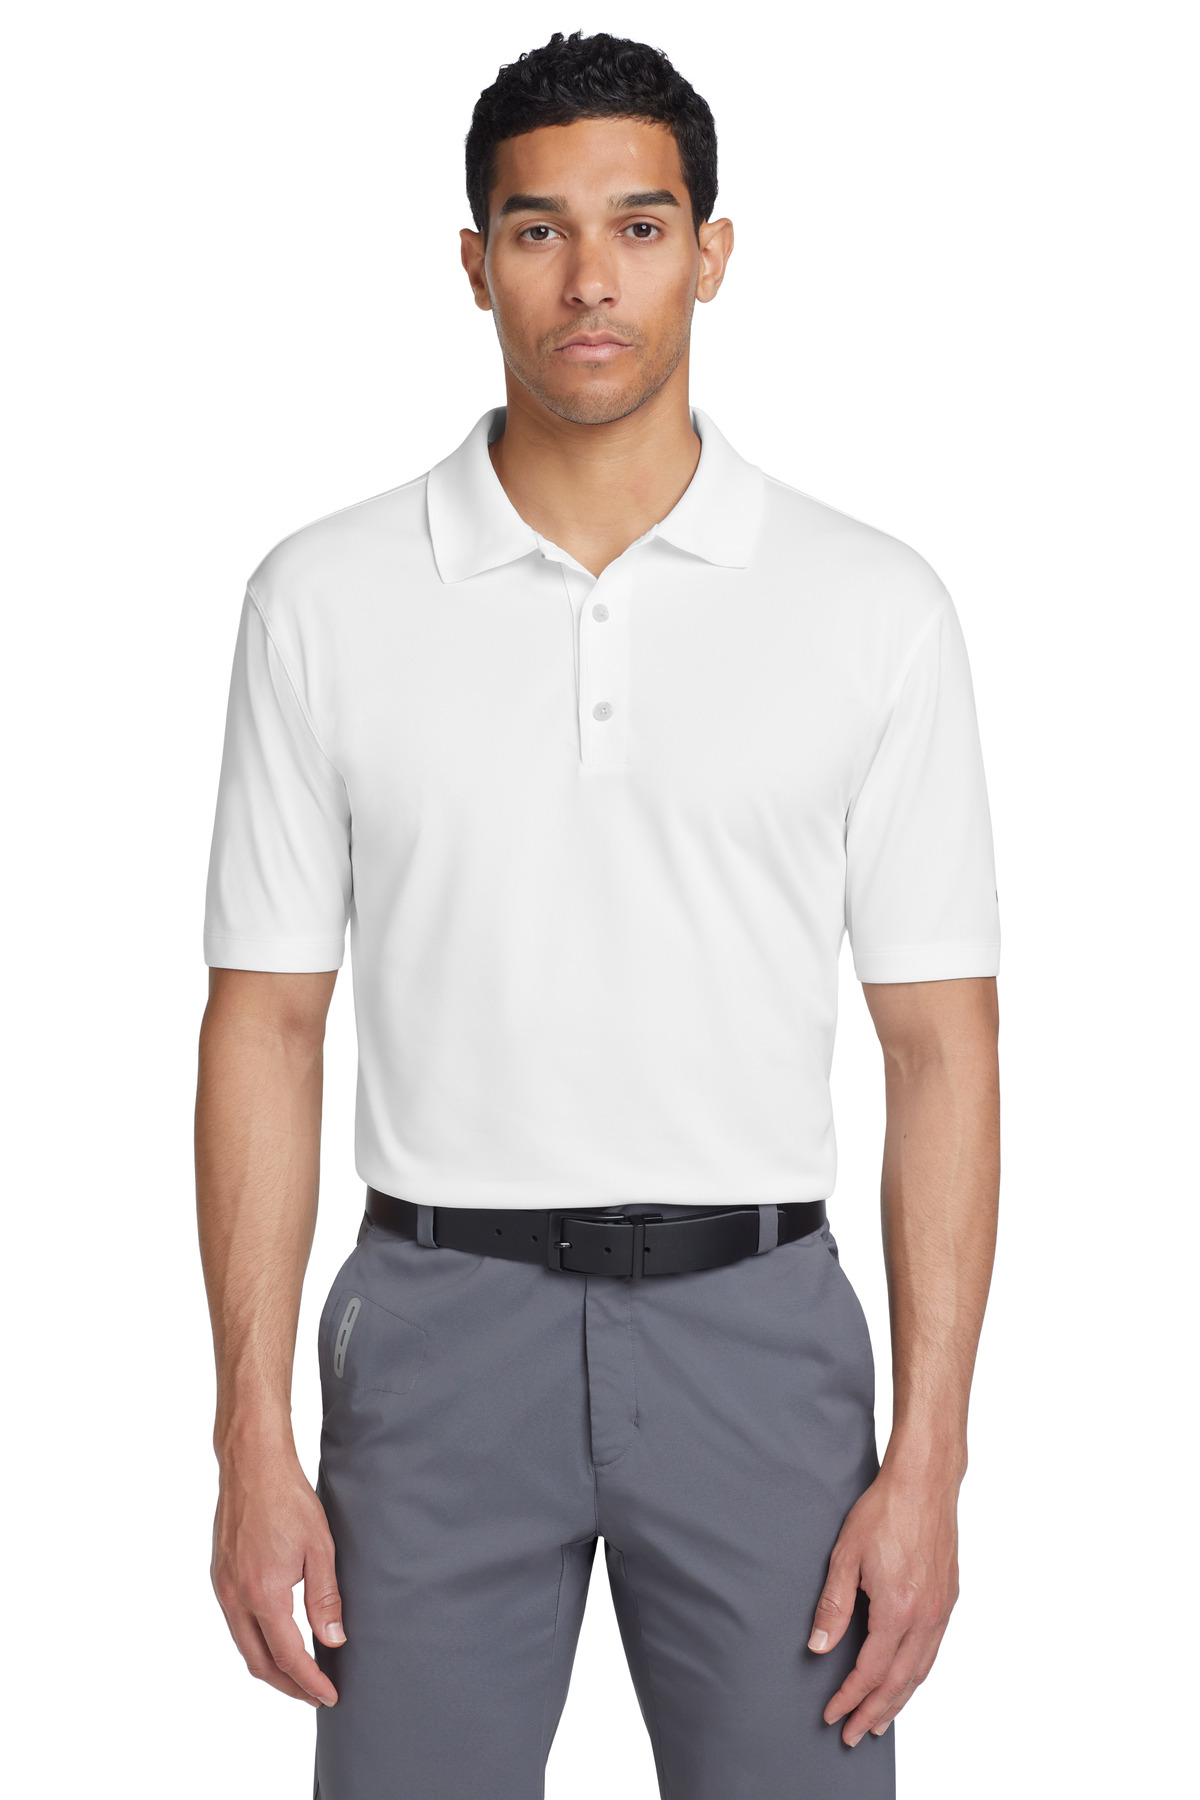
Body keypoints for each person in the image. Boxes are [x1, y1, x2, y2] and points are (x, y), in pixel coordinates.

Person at [196, 29, 1001, 1800]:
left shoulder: (872, 607)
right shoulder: (321, 599)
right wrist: (249, 1431)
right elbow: (265, 1021)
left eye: (638, 227)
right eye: (538, 229)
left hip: (762, 1341)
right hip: (434, 1336)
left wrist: (932, 1452)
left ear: (712, 253)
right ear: (473, 261)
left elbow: (942, 1050)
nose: (589, 280)